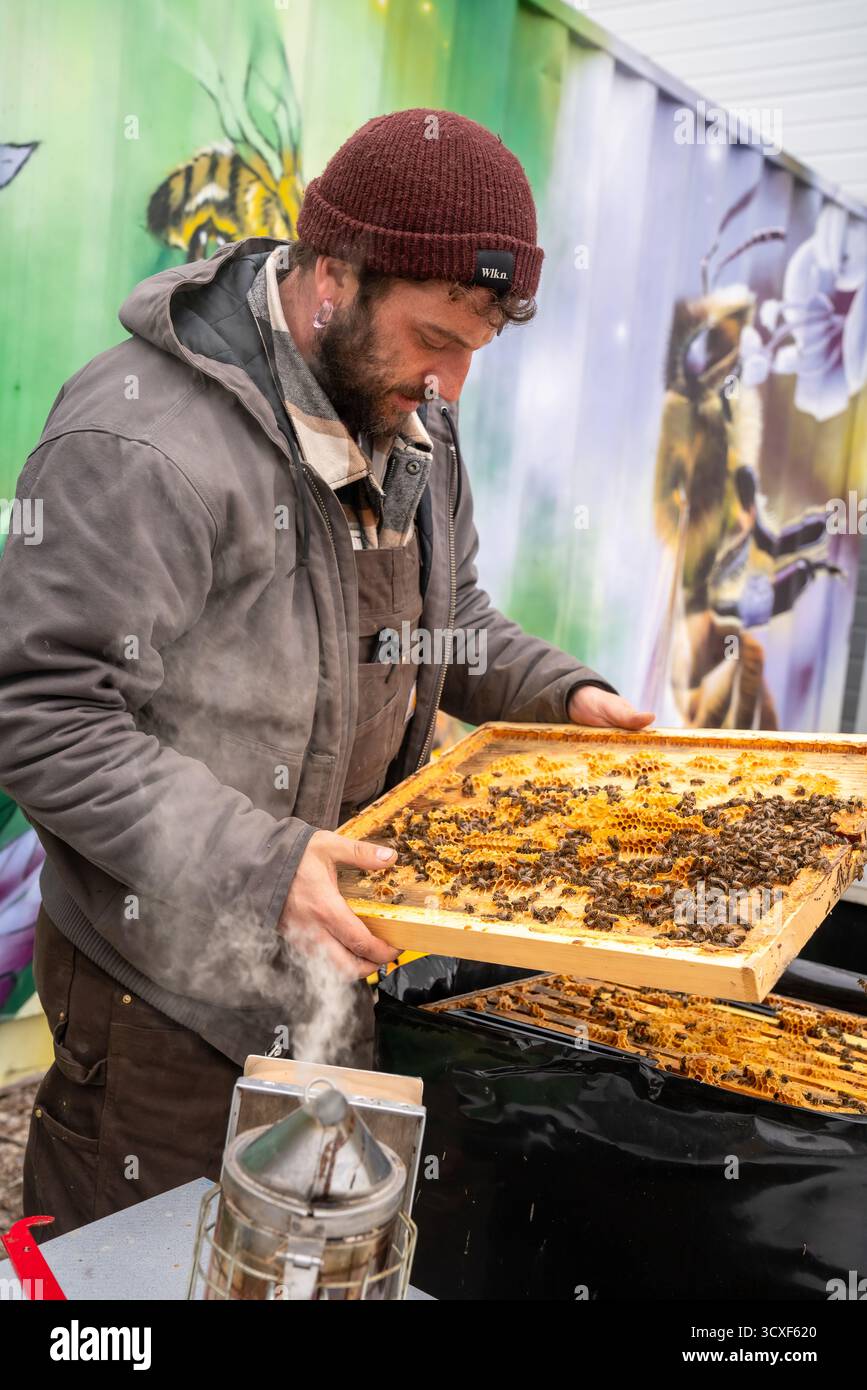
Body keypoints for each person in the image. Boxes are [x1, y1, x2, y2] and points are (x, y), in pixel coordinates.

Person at [0, 108, 652, 1235]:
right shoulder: (138, 443)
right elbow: (46, 715)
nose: (451, 384)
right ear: (332, 275)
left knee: (304, 1255)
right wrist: (266, 866)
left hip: (337, 966)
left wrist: (562, 695)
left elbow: (442, 623)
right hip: (162, 1000)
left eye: (473, 352)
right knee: (137, 1283)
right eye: (433, 338)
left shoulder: (413, 418)